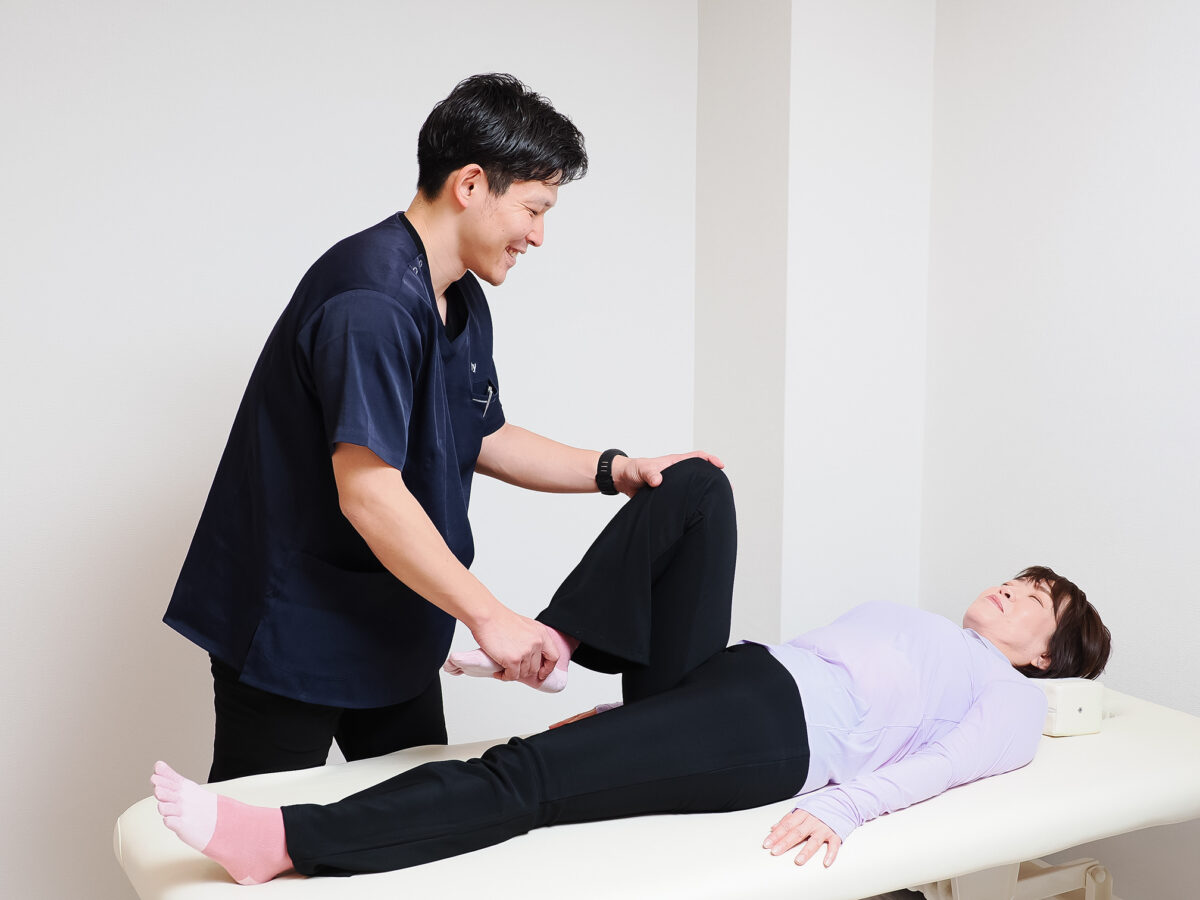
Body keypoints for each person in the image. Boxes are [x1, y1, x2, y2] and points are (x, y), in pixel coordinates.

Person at [152, 459, 1112, 883]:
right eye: (1019, 577)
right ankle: (559, 641)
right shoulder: (931, 631)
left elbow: (944, 768)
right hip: (742, 679)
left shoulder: (1008, 700)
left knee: (528, 774)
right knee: (696, 487)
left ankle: (285, 838)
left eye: (1037, 599)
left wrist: (848, 808)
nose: (1012, 588)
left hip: (775, 737)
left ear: (1046, 658)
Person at [163, 72, 720, 783]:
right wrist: (490, 617)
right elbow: (369, 494)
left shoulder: (457, 295)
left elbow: (481, 433)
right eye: (533, 209)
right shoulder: (369, 303)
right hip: (293, 622)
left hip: (392, 615)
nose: (538, 236)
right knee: (257, 834)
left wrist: (615, 470)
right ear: (470, 185)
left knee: (416, 817)